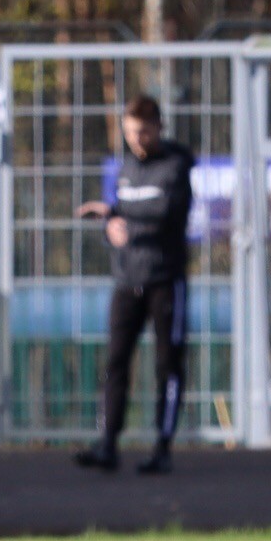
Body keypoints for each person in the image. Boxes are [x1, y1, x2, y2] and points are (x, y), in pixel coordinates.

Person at [73, 93, 194, 476]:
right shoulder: (125, 168)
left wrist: (116, 212)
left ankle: (162, 446)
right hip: (127, 279)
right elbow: (121, 220)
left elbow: (164, 212)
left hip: (165, 280)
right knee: (115, 362)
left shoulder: (175, 166)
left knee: (167, 363)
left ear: (158, 128)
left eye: (142, 132)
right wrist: (110, 226)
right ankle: (107, 443)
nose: (136, 140)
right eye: (129, 133)